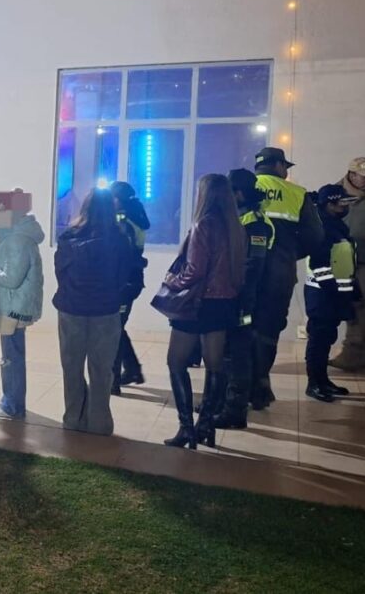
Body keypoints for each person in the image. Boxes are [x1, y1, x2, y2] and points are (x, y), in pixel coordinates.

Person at [158, 175, 246, 449]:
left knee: (175, 362)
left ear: (204, 194)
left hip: (197, 304)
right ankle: (206, 424)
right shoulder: (235, 227)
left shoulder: (203, 224)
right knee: (215, 365)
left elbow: (194, 270)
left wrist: (172, 281)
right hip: (223, 304)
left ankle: (186, 428)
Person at [53, 189, 132, 436]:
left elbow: (60, 272)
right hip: (105, 311)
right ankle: (100, 423)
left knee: (72, 367)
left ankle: (73, 419)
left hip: (71, 309)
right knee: (102, 371)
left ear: (85, 207)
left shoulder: (69, 237)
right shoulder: (119, 239)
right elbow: (124, 276)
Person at [251, 147, 323, 410]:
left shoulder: (241, 187)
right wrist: (290, 253)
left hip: (243, 273)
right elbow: (315, 237)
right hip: (279, 274)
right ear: (279, 165)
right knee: (268, 329)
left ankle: (235, 388)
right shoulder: (297, 193)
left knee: (240, 328)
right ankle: (260, 385)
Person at [214, 169, 274, 430]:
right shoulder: (240, 218)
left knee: (236, 354)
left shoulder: (255, 224)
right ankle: (220, 402)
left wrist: (239, 300)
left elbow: (252, 267)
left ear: (239, 194)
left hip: (243, 298)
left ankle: (234, 410)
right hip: (233, 295)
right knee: (226, 351)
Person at [0, 189, 44, 420]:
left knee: (12, 357)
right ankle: (10, 398)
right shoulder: (15, 236)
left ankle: (13, 405)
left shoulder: (17, 240)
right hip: (13, 303)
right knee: (11, 355)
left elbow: (12, 279)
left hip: (13, 307)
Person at [304, 184, 358, 402]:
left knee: (326, 338)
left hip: (333, 294)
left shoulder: (336, 226)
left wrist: (353, 292)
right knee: (318, 340)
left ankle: (323, 381)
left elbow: (344, 261)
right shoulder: (322, 228)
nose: (345, 207)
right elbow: (319, 266)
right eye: (341, 204)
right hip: (323, 294)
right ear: (329, 205)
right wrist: (335, 292)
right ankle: (314, 384)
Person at [331, 157, 365, 371]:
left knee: (364, 304)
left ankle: (355, 352)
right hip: (342, 258)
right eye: (364, 176)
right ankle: (363, 351)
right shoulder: (335, 194)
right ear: (351, 175)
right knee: (349, 304)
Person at [110, 181, 151, 393]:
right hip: (131, 281)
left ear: (118, 200)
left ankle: (113, 381)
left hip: (123, 282)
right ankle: (132, 369)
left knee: (113, 330)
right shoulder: (135, 217)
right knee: (117, 327)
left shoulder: (124, 222)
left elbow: (120, 255)